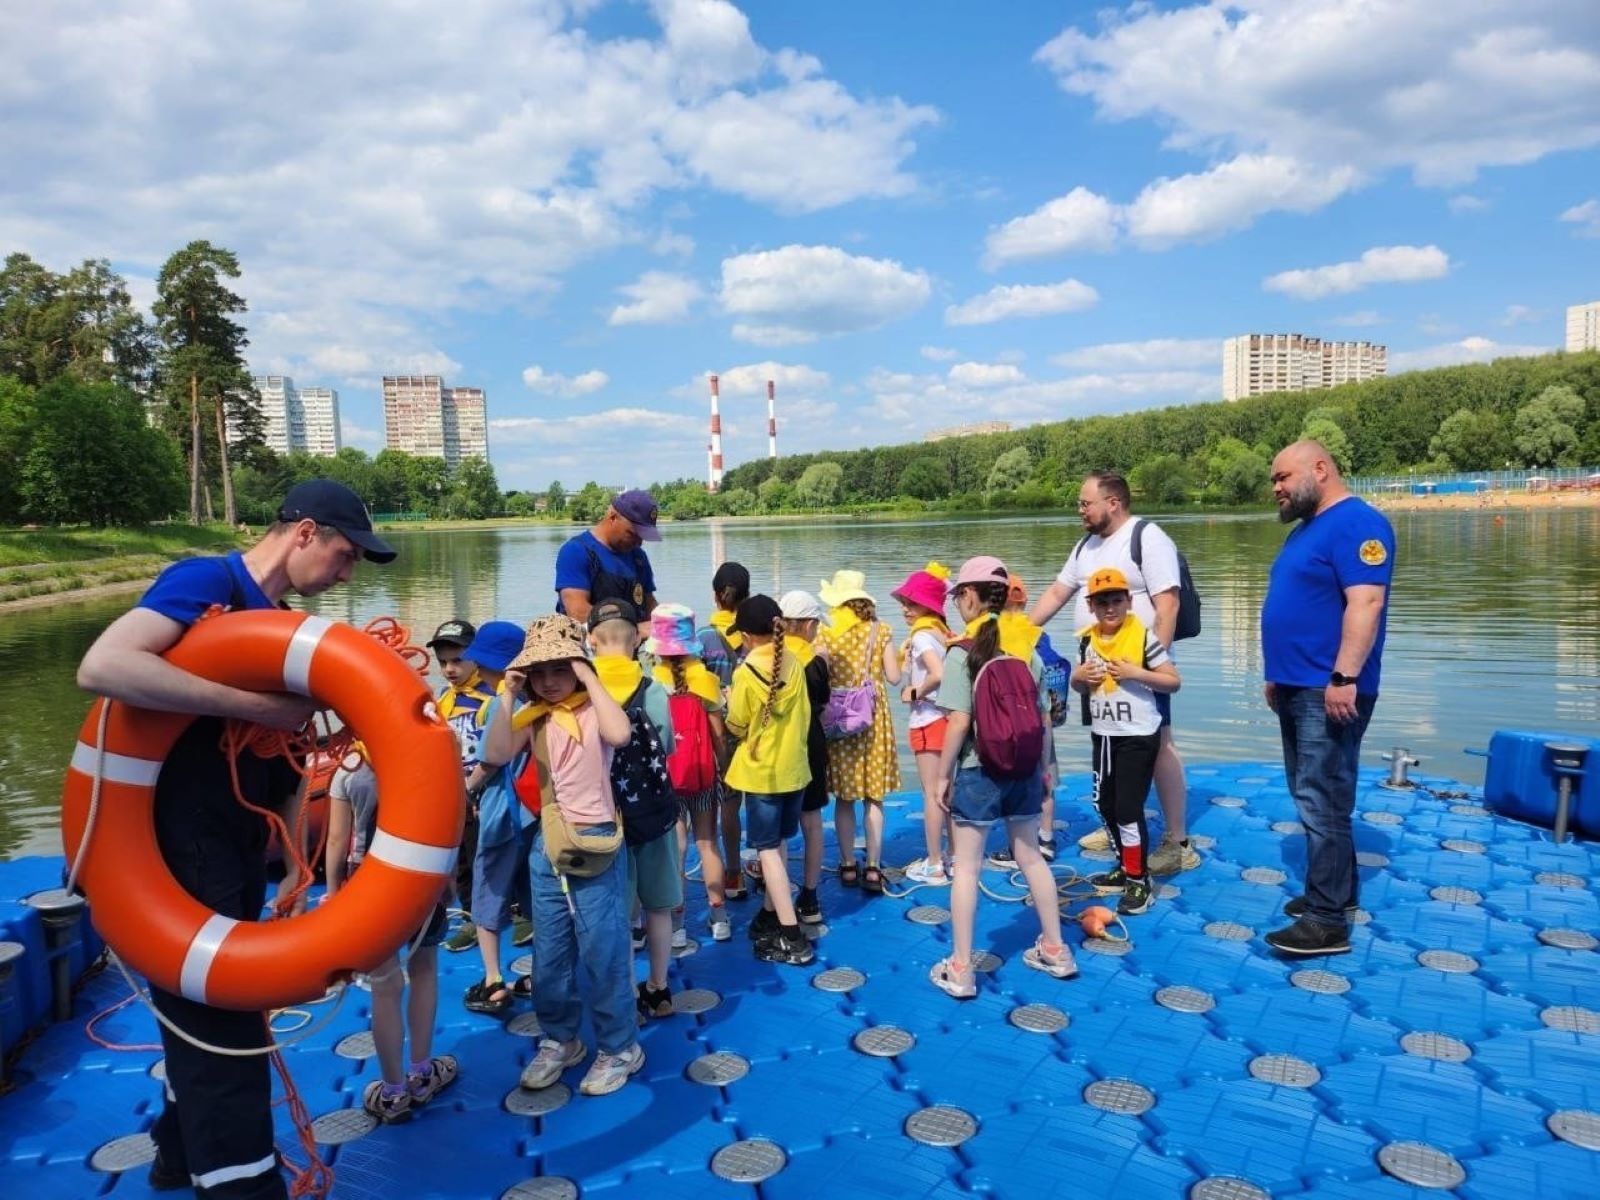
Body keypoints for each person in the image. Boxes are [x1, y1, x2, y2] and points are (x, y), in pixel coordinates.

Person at [75, 477, 395, 1199]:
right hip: (177, 845)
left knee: (207, 1010)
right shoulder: (204, 581)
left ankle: (174, 1154)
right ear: (305, 532)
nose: (347, 575)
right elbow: (103, 665)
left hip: (237, 844)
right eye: (345, 556)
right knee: (226, 1026)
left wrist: (289, 851)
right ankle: (241, 1188)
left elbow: (277, 754)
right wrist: (254, 704)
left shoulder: (276, 619)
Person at [481, 616, 644, 1096]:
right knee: (549, 952)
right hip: (547, 842)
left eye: (559, 668)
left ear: (576, 666)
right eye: (539, 671)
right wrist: (508, 695)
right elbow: (493, 753)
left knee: (604, 948)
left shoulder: (593, 710)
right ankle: (560, 1038)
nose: (549, 680)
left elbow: (620, 735)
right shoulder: (533, 717)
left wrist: (590, 677)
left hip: (594, 839)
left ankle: (620, 1047)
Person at [1261, 440, 1395, 957]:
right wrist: (1278, 674)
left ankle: (1326, 922)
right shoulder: (1306, 530)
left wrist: (1344, 677)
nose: (1277, 488)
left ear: (1320, 469)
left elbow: (1366, 601)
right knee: (1312, 791)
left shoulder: (1358, 524)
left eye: (1283, 477)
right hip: (1297, 684)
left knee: (1323, 797)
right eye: (1274, 480)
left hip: (1328, 687)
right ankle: (1337, 893)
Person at [1029, 470, 1196, 876]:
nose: (1080, 510)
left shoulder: (1147, 537)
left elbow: (1168, 604)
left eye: (1086, 503)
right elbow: (1057, 592)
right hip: (1097, 669)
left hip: (1139, 669)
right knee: (1108, 747)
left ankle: (1178, 841)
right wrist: (1019, 637)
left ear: (1113, 503)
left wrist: (1148, 667)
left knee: (1159, 746)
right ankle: (1119, 822)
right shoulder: (1086, 545)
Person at [929, 556, 1076, 999]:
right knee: (1031, 857)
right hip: (1026, 772)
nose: (956, 603)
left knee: (968, 869)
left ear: (970, 596)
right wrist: (1045, 770)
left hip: (979, 771)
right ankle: (1055, 948)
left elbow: (958, 721)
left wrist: (941, 777)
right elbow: (1045, 717)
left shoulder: (961, 652)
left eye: (958, 595)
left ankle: (960, 968)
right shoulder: (1025, 648)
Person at [325, 750, 457, 1124]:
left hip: (368, 879)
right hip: (420, 876)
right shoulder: (421, 757)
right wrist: (447, 876)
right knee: (425, 969)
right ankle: (421, 1071)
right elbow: (443, 820)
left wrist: (335, 895)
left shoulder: (348, 769)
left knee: (385, 985)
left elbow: (337, 839)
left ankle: (394, 1091)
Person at [586, 598, 682, 1020]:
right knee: (659, 905)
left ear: (591, 641)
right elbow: (667, 743)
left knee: (618, 914)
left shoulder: (585, 689)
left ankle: (625, 993)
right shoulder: (653, 685)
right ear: (638, 637)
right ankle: (659, 988)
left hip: (606, 816)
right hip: (654, 812)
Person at [1070, 568, 1181, 916]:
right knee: (1104, 804)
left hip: (1137, 736)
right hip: (1104, 737)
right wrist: (1078, 677)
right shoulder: (1087, 642)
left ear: (1128, 601)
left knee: (1128, 809)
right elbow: (1078, 685)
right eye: (1101, 602)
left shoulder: (1144, 638)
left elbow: (1173, 681)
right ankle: (1125, 865)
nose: (1109, 608)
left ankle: (1139, 880)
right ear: (1091, 605)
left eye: (1116, 600)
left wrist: (1137, 674)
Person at [725, 595, 815, 965]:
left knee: (766, 851)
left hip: (763, 775)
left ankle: (792, 936)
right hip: (795, 770)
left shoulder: (745, 674)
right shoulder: (794, 663)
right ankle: (769, 913)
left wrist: (730, 701)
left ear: (746, 636)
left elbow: (737, 723)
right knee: (778, 847)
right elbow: (806, 716)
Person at [455, 621, 536, 1015]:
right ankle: (542, 970)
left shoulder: (508, 702)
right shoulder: (541, 700)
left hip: (502, 812)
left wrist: (466, 788)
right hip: (533, 815)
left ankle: (493, 979)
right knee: (535, 895)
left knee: (487, 891)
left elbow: (490, 757)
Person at [645, 603, 732, 941]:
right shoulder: (707, 681)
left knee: (676, 849)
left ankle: (678, 924)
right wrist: (722, 766)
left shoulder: (652, 683)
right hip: (702, 775)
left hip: (668, 778)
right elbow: (719, 733)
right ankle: (719, 916)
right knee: (708, 843)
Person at [817, 569, 901, 894]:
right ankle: (874, 867)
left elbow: (820, 673)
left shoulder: (826, 634)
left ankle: (848, 863)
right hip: (873, 720)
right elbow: (894, 677)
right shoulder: (881, 631)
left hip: (839, 721)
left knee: (844, 798)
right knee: (873, 798)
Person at [427, 619, 496, 955]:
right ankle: (471, 912)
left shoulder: (490, 697)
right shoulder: (444, 699)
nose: (449, 669)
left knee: (489, 852)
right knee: (464, 855)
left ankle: (506, 909)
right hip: (455, 791)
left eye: (457, 660)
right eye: (443, 663)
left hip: (484, 790)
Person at [890, 563, 953, 885]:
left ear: (927, 605)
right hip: (947, 719)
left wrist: (915, 690)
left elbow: (937, 674)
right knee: (948, 793)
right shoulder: (943, 633)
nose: (905, 611)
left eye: (911, 604)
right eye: (904, 604)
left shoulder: (923, 639)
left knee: (932, 795)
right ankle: (954, 856)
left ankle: (934, 863)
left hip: (928, 721)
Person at [777, 589, 831, 926]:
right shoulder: (813, 662)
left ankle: (776, 897)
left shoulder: (770, 658)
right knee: (811, 823)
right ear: (809, 625)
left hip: (778, 747)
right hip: (809, 744)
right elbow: (822, 704)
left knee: (778, 831)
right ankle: (810, 897)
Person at [698, 561, 749, 899]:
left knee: (715, 812)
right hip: (749, 731)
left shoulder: (703, 638)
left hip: (713, 732)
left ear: (716, 596)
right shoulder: (754, 634)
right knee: (743, 806)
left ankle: (722, 873)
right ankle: (746, 868)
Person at [553, 489, 661, 624]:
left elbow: (649, 603)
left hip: (631, 643)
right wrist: (635, 631)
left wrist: (666, 622)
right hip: (583, 643)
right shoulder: (576, 551)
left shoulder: (638, 557)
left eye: (643, 537)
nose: (639, 543)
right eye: (633, 534)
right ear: (613, 517)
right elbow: (577, 612)